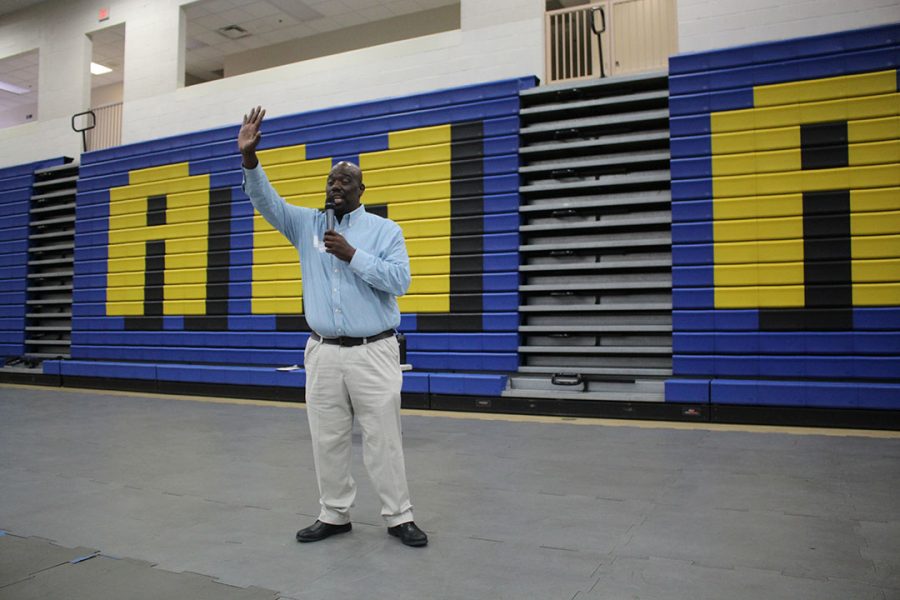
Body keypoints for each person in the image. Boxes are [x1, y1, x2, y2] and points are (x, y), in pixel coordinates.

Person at [238, 106, 427, 547]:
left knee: (383, 439)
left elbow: (400, 281)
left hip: (373, 350)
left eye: (344, 181)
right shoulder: (306, 225)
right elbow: (267, 201)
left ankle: (399, 516)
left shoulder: (384, 231)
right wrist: (250, 159)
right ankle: (334, 513)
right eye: (330, 180)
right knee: (327, 438)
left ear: (362, 190)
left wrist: (352, 255)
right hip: (322, 351)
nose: (335, 186)